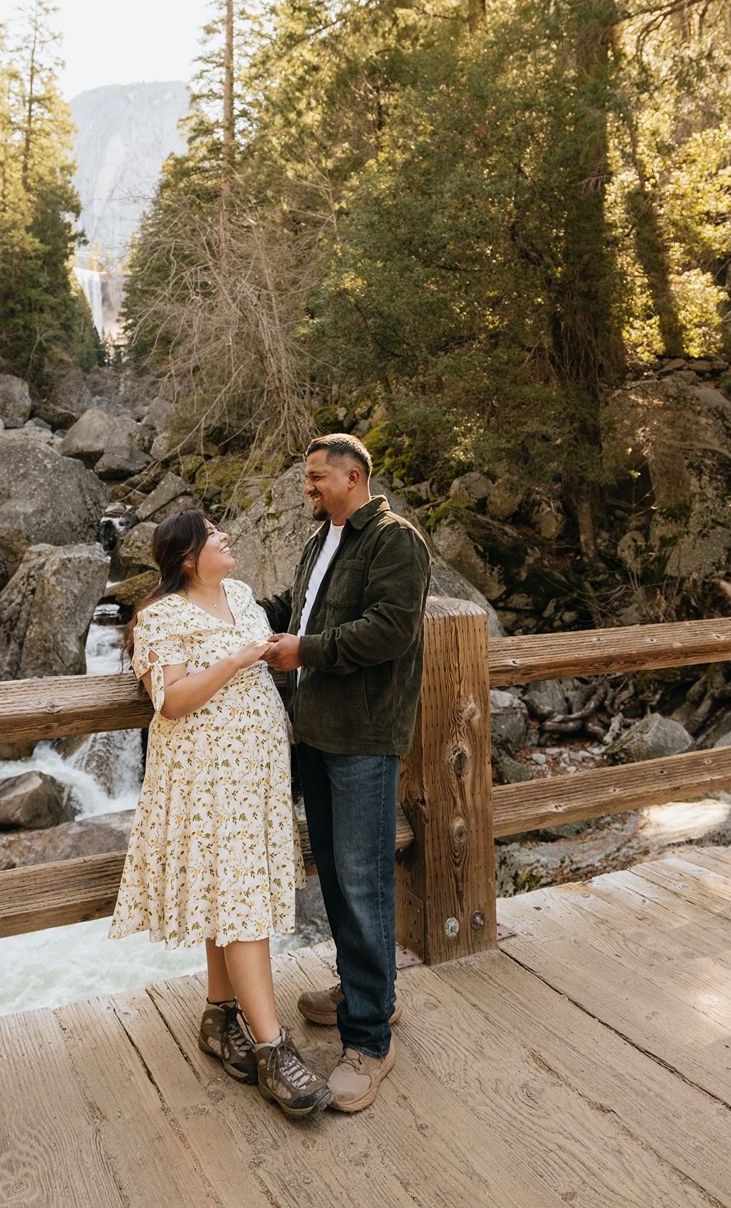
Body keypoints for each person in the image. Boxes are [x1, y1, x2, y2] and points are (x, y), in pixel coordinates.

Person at [109, 507, 330, 1120]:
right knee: (242, 904)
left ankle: (218, 1015)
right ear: (187, 557)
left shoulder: (239, 593)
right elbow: (173, 700)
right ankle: (271, 1046)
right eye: (213, 535)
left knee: (226, 893)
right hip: (207, 777)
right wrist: (236, 660)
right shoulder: (160, 616)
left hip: (256, 775)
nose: (226, 536)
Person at [261, 434, 431, 1114]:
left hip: (363, 738)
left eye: (316, 478)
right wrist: (221, 612)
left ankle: (370, 1037)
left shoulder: (395, 541)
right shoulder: (321, 540)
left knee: (363, 878)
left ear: (353, 476)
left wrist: (306, 650)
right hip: (317, 732)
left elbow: (390, 630)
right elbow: (294, 607)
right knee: (334, 871)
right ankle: (366, 988)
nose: (307, 488)